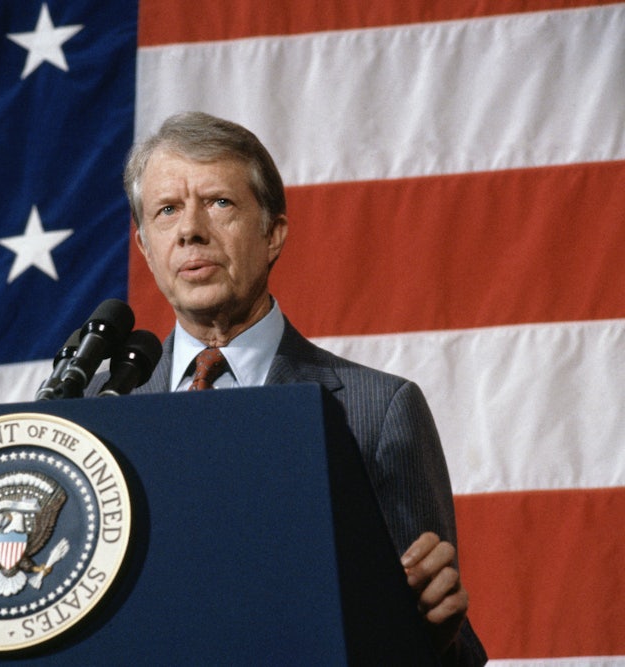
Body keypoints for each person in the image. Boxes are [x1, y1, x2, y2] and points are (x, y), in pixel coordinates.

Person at [92, 111, 487, 665]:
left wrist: (426, 637)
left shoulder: (378, 410)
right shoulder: (96, 413)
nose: (190, 230)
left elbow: (449, 638)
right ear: (145, 246)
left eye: (219, 203)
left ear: (273, 233)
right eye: (167, 210)